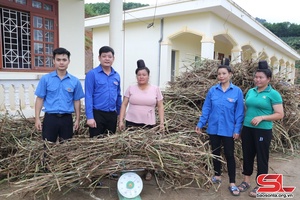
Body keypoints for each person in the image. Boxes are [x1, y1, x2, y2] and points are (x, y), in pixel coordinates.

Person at [195, 58, 244, 196]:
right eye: (219, 74)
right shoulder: (212, 91)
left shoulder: (237, 92)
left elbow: (239, 113)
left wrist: (236, 129)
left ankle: (232, 182)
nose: (221, 76)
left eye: (223, 73)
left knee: (229, 155)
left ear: (230, 74)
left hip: (229, 130)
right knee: (215, 153)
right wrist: (200, 123)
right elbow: (207, 109)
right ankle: (217, 176)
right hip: (214, 128)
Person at [237, 60, 284, 197]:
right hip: (247, 128)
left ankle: (261, 185)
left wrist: (262, 118)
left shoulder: (273, 94)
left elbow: (280, 114)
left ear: (268, 79)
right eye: (256, 77)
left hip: (263, 129)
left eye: (261, 77)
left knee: (262, 157)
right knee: (247, 155)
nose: (257, 80)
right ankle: (246, 181)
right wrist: (241, 127)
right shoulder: (250, 91)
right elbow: (246, 109)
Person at [118, 59, 165, 180]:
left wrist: (161, 123)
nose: (141, 77)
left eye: (144, 75)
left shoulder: (155, 89)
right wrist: (121, 120)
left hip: (148, 123)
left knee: (148, 148)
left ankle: (148, 170)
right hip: (131, 121)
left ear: (148, 76)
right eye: (139, 75)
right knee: (131, 146)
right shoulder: (131, 88)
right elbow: (124, 104)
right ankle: (131, 169)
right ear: (136, 76)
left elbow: (160, 106)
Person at [35, 47, 84, 143]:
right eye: (58, 60)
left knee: (66, 148)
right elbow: (39, 99)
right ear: (54, 61)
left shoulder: (75, 81)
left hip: (67, 119)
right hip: (50, 118)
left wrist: (77, 119)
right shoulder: (46, 79)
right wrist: (37, 118)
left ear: (69, 61)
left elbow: (77, 101)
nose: (61, 62)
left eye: (64, 60)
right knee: (47, 147)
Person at [85, 46, 122, 138]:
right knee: (96, 144)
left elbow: (118, 96)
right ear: (99, 58)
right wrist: (90, 117)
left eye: (109, 56)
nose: (107, 59)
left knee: (110, 144)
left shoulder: (116, 75)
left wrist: (120, 114)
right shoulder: (92, 74)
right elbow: (88, 96)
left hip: (112, 115)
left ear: (113, 58)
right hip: (97, 114)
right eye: (104, 56)